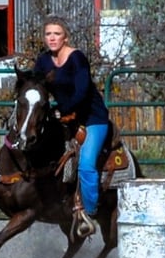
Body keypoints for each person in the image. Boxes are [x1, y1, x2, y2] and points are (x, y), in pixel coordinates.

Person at [33, 14, 109, 237]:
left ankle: (90, 211)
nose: (52, 38)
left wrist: (62, 109)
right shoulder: (43, 61)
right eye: (48, 34)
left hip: (91, 117)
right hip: (63, 116)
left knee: (86, 163)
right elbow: (36, 85)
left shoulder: (76, 58)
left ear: (65, 37)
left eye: (57, 34)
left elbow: (83, 91)